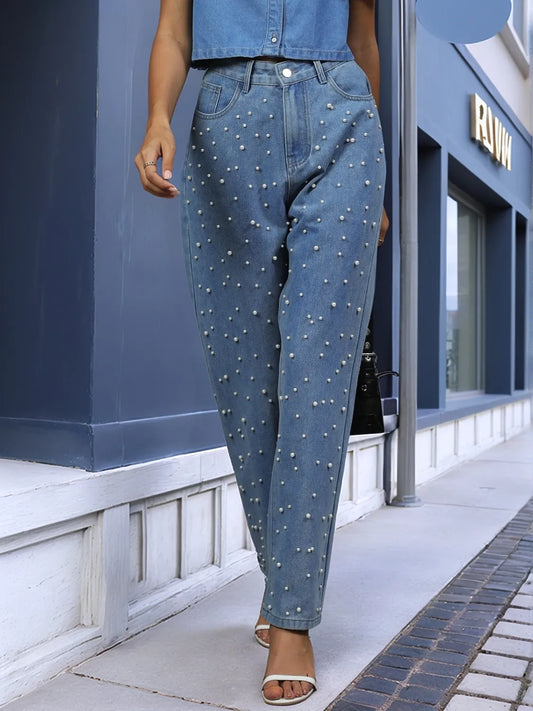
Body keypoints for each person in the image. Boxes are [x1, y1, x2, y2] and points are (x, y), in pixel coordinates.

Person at [135, 0, 388, 705]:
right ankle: (287, 582)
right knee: (246, 379)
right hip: (227, 123)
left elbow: (363, 36)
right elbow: (174, 29)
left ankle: (291, 619)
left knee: (317, 372)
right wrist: (158, 117)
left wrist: (378, 181)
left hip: (343, 118)